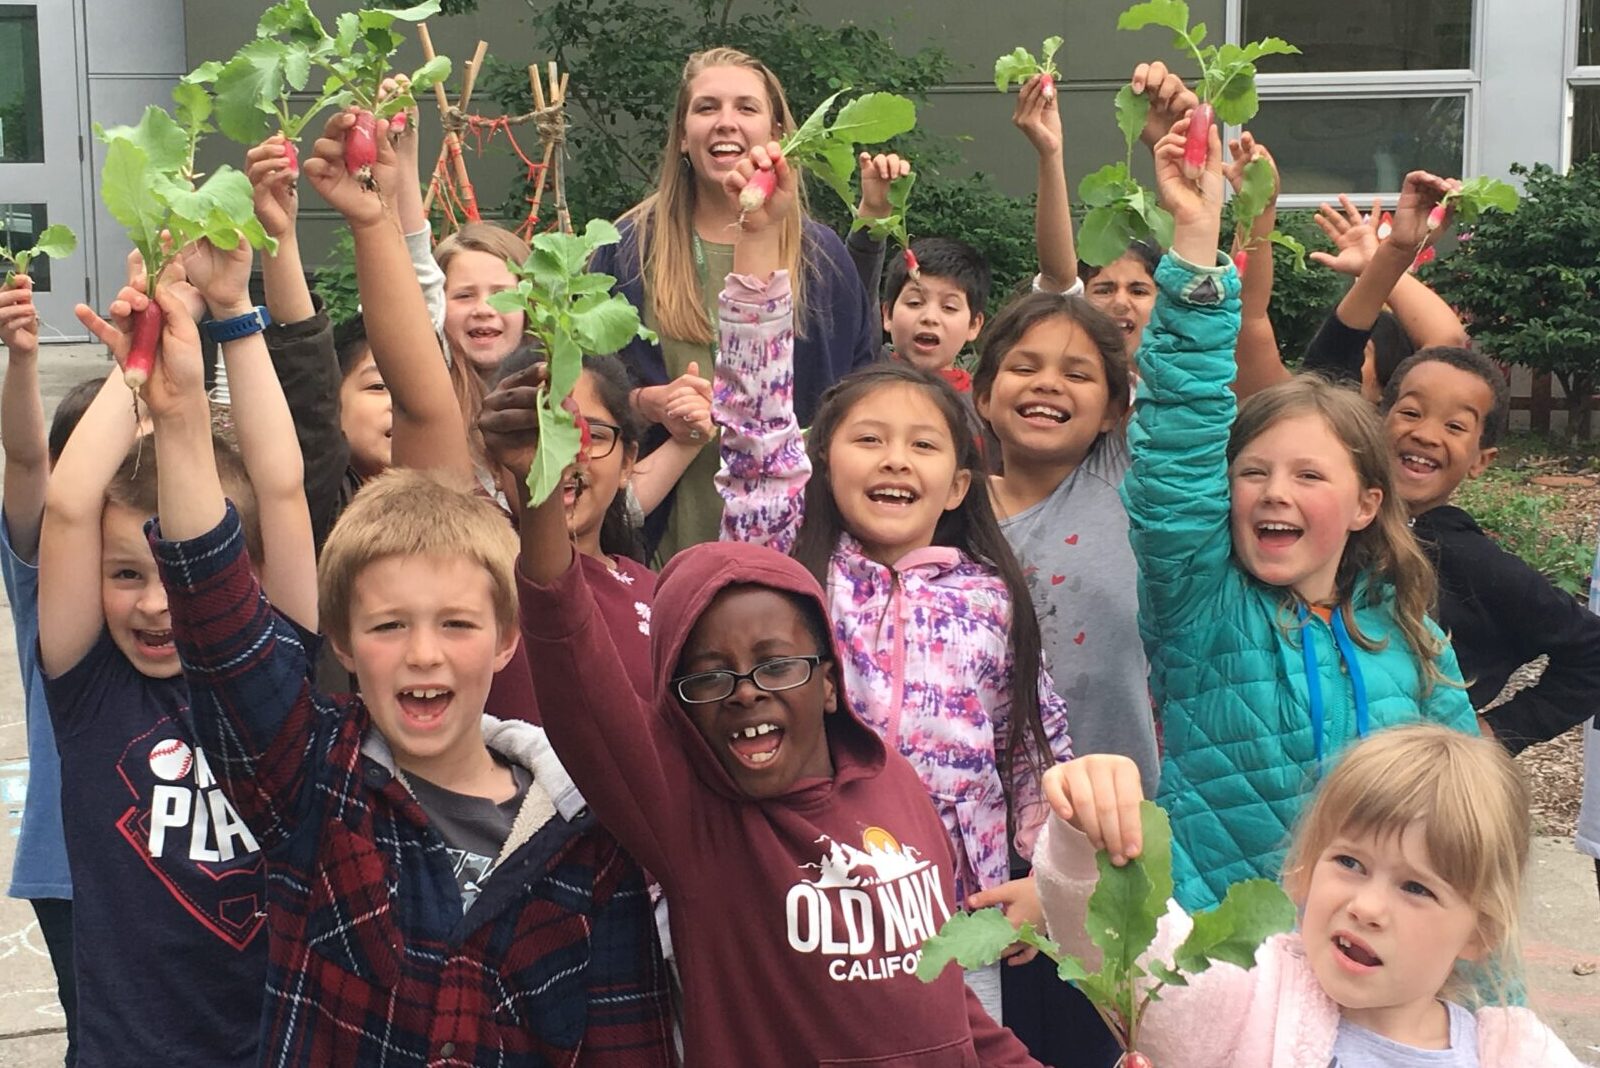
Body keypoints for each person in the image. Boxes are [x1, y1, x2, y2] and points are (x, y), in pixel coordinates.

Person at [137, 273, 672, 1062]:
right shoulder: (315, 777)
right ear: (345, 647)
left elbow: (631, 1047)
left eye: (457, 624)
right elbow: (221, 628)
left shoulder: (589, 844)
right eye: (389, 626)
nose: (424, 653)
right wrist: (180, 416)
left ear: (505, 640)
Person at [501, 421, 1041, 1065]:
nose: (746, 692)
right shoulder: (693, 823)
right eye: (708, 676)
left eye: (777, 664)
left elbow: (949, 1007)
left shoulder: (893, 784)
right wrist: (538, 491)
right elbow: (575, 674)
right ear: (674, 713)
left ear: (832, 683)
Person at [714, 143, 1072, 1020]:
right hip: (813, 908)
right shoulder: (795, 578)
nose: (894, 460)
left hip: (956, 922)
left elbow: (1033, 750)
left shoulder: (991, 600)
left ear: (958, 484)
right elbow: (755, 439)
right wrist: (758, 252)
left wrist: (1051, 886)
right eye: (868, 439)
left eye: (922, 445)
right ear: (822, 464)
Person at [1121, 112, 1477, 911]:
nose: (1275, 490)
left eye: (1309, 475)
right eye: (1253, 472)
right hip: (1227, 963)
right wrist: (1196, 235)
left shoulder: (1410, 632)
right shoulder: (1199, 599)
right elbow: (1179, 432)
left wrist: (1486, 996)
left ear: (1366, 505)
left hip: (1369, 947)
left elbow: (1464, 810)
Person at [41, 235, 313, 1065]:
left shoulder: (278, 669)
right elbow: (65, 505)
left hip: (277, 1048)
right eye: (126, 572)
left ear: (250, 571)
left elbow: (281, 486)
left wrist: (233, 312)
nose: (157, 602)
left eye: (177, 571)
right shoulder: (89, 688)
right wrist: (139, 369)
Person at [1033, 726, 1584, 1066]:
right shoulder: (1253, 1002)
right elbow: (1124, 952)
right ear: (1303, 872)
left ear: (1480, 932)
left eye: (1416, 887)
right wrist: (1091, 836)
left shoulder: (1511, 1054)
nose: (1366, 907)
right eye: (1349, 863)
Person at [588, 47, 879, 561]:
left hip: (793, 546)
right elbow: (582, 390)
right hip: (657, 545)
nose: (726, 123)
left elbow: (860, 391)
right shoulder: (625, 247)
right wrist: (643, 404)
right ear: (682, 135)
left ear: (777, 133)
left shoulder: (822, 257)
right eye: (706, 108)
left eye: (746, 108)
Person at [1380, 346, 1600, 751]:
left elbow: (1591, 650)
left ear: (1481, 460)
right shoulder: (1331, 529)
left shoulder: (1473, 563)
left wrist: (1495, 733)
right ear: (1378, 421)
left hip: (1409, 788)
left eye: (1455, 426)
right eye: (1411, 413)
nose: (1426, 434)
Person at [1, 275, 86, 1065]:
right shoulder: (45, 575)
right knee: (95, 1038)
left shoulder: (179, 582)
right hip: (69, 866)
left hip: (179, 863)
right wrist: (22, 361)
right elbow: (25, 458)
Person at [879, 236, 990, 390]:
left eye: (949, 307)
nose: (929, 318)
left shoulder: (983, 408)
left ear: (974, 325)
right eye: (914, 303)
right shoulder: (861, 377)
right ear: (887, 315)